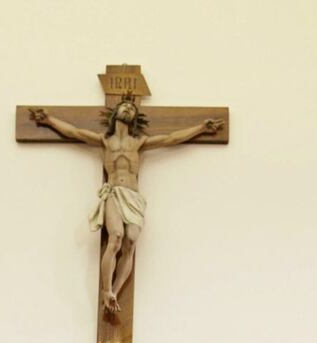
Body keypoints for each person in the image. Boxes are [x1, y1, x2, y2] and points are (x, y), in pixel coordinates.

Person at [29, 98, 223, 314]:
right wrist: (48, 120)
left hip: (133, 197)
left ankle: (114, 291)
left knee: (130, 241)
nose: (129, 108)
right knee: (117, 237)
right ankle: (105, 290)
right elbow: (74, 132)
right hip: (113, 192)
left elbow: (171, 138)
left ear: (135, 118)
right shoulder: (104, 140)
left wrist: (202, 128)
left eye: (132, 108)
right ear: (115, 114)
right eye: (125, 106)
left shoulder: (139, 143)